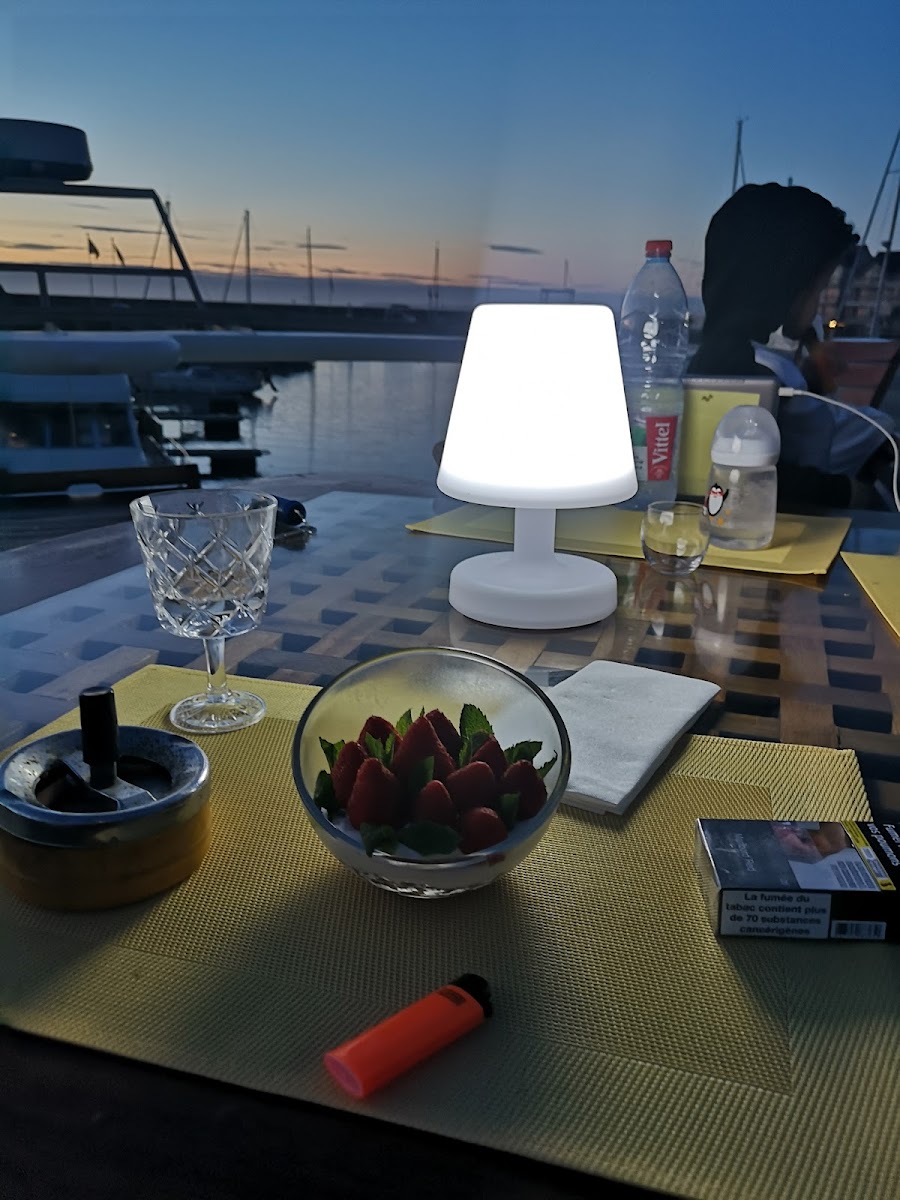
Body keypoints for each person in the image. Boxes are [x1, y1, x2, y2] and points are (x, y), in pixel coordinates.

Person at [687, 183, 895, 506]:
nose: (819, 305)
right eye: (818, 290)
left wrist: (812, 381)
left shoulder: (736, 353)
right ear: (783, 287)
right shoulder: (732, 365)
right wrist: (850, 493)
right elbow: (745, 481)